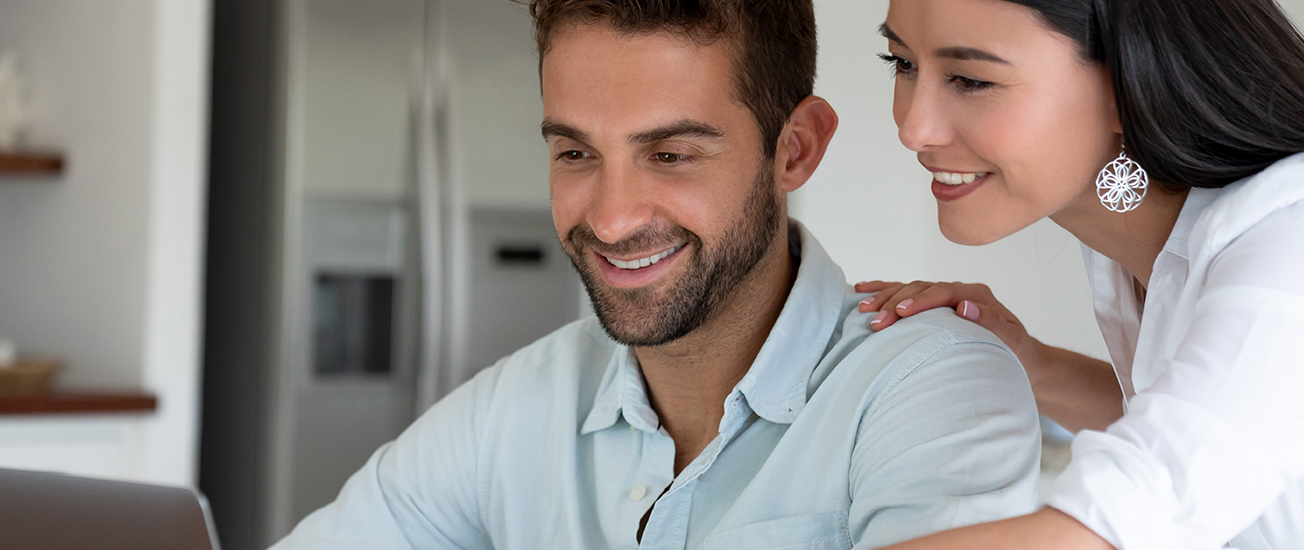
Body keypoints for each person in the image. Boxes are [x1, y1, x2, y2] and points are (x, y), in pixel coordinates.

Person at [269, 1, 1044, 548]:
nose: (609, 219)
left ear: (796, 148)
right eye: (576, 153)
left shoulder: (932, 386)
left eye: (670, 155)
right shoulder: (515, 408)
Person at [860, 0, 1304, 548]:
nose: (914, 128)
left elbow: (1126, 516)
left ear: (1127, 83)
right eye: (901, 62)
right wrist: (1031, 362)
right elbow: (1204, 435)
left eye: (971, 79)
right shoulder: (1137, 251)